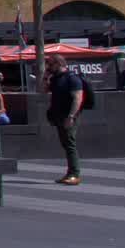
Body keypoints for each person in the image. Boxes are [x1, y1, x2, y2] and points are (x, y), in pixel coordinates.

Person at [44, 54, 88, 184]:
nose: (49, 67)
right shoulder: (55, 79)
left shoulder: (72, 78)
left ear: (59, 64)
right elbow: (42, 91)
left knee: (70, 144)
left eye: (51, 64)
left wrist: (71, 116)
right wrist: (45, 77)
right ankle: (70, 173)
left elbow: (78, 98)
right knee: (65, 143)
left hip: (68, 116)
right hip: (58, 115)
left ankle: (75, 174)